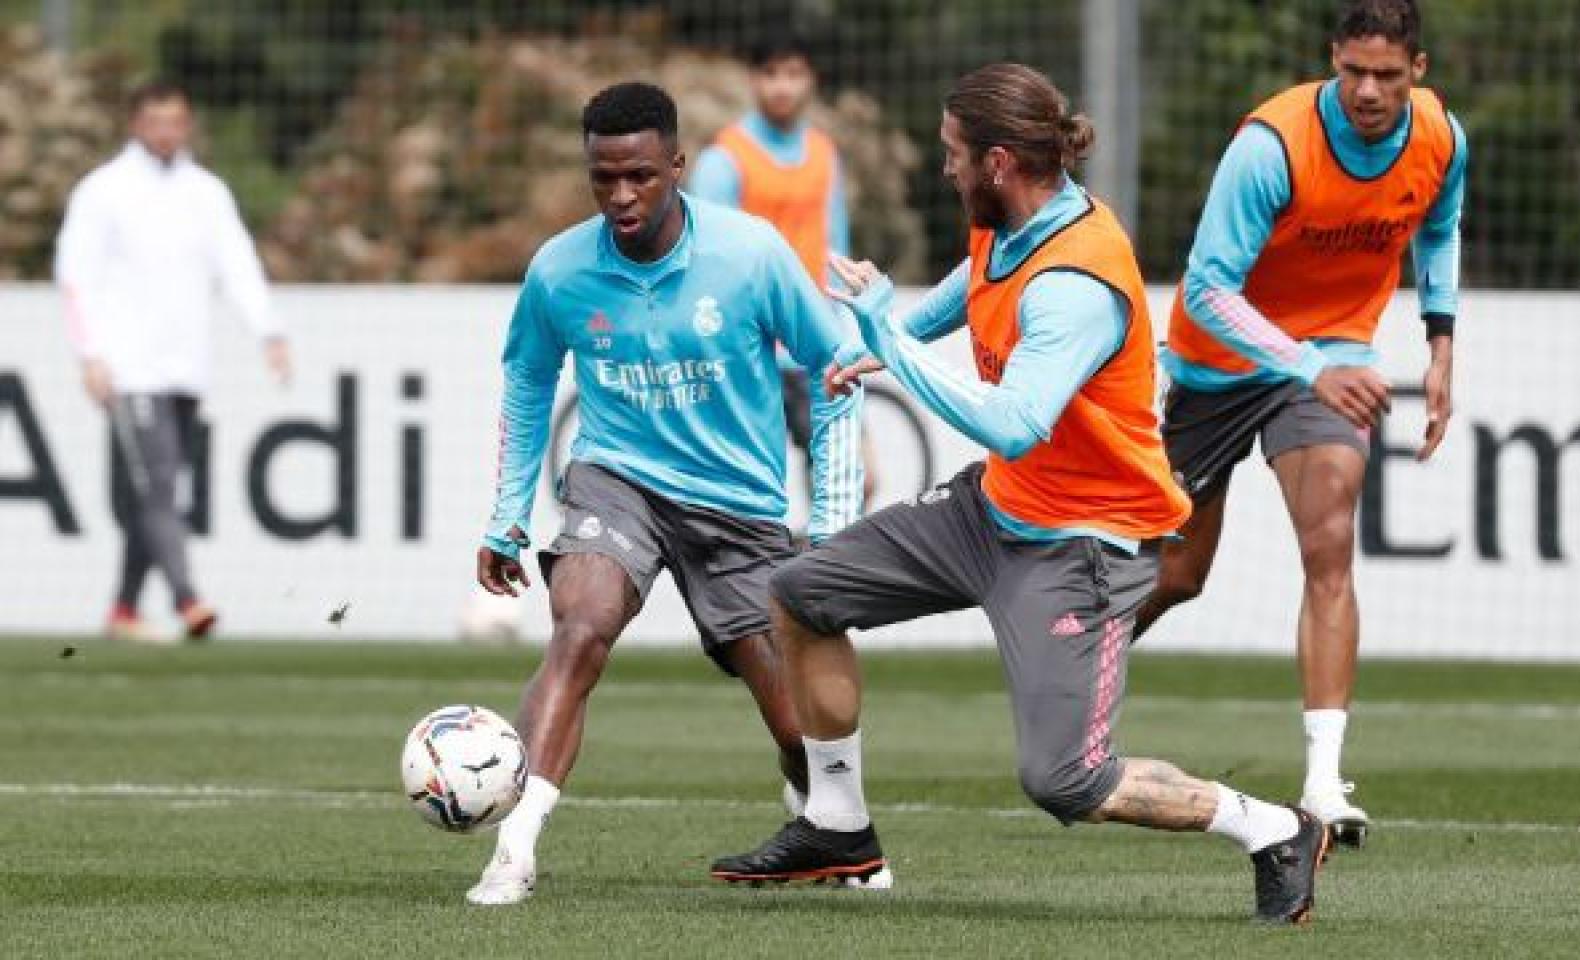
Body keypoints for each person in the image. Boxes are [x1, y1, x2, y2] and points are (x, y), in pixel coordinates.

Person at [712, 64, 1328, 925]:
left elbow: (1014, 422)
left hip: (1083, 547)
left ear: (998, 161)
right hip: (991, 511)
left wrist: (891, 332)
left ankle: (1272, 827)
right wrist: (902, 341)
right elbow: (980, 279)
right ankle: (837, 824)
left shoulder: (1075, 284)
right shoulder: (1012, 221)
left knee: (1065, 780)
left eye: (952, 155)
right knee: (801, 594)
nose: (945, 169)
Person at [466, 82, 863, 906]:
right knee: (582, 626)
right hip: (619, 483)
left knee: (794, 727)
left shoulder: (750, 256)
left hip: (738, 505)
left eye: (640, 176)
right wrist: (508, 516)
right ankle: (515, 845)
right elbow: (527, 382)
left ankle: (826, 815)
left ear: (677, 166)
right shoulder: (560, 270)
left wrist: (830, 516)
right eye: (603, 178)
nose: (620, 196)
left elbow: (838, 373)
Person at [1135, 0, 1467, 848]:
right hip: (1217, 364)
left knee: (1330, 542)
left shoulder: (1440, 137)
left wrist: (1440, 340)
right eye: (1352, 70)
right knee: (1177, 575)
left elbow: (1440, 225)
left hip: (1326, 363)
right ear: (1332, 60)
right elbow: (1207, 288)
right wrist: (1311, 363)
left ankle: (1322, 782)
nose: (1365, 89)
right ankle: (1067, 676)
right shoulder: (1271, 147)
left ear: (1417, 73)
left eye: (1386, 75)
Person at [54, 80, 290, 643]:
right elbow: (75, 277)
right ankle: (188, 599)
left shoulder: (206, 192)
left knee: (151, 486)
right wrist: (91, 354)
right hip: (129, 367)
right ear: (137, 124)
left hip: (186, 365)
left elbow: (237, 264)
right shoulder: (103, 191)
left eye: (175, 121)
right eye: (155, 120)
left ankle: (123, 611)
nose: (166, 131)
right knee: (159, 483)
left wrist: (269, 331)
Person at [690, 30, 878, 509]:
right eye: (771, 74)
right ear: (753, 80)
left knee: (853, 479)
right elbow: (704, 261)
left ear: (810, 80)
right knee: (746, 492)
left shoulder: (823, 154)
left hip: (812, 347)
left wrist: (846, 335)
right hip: (747, 352)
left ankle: (815, 576)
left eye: (793, 74)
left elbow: (835, 248)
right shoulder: (724, 159)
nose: (782, 87)